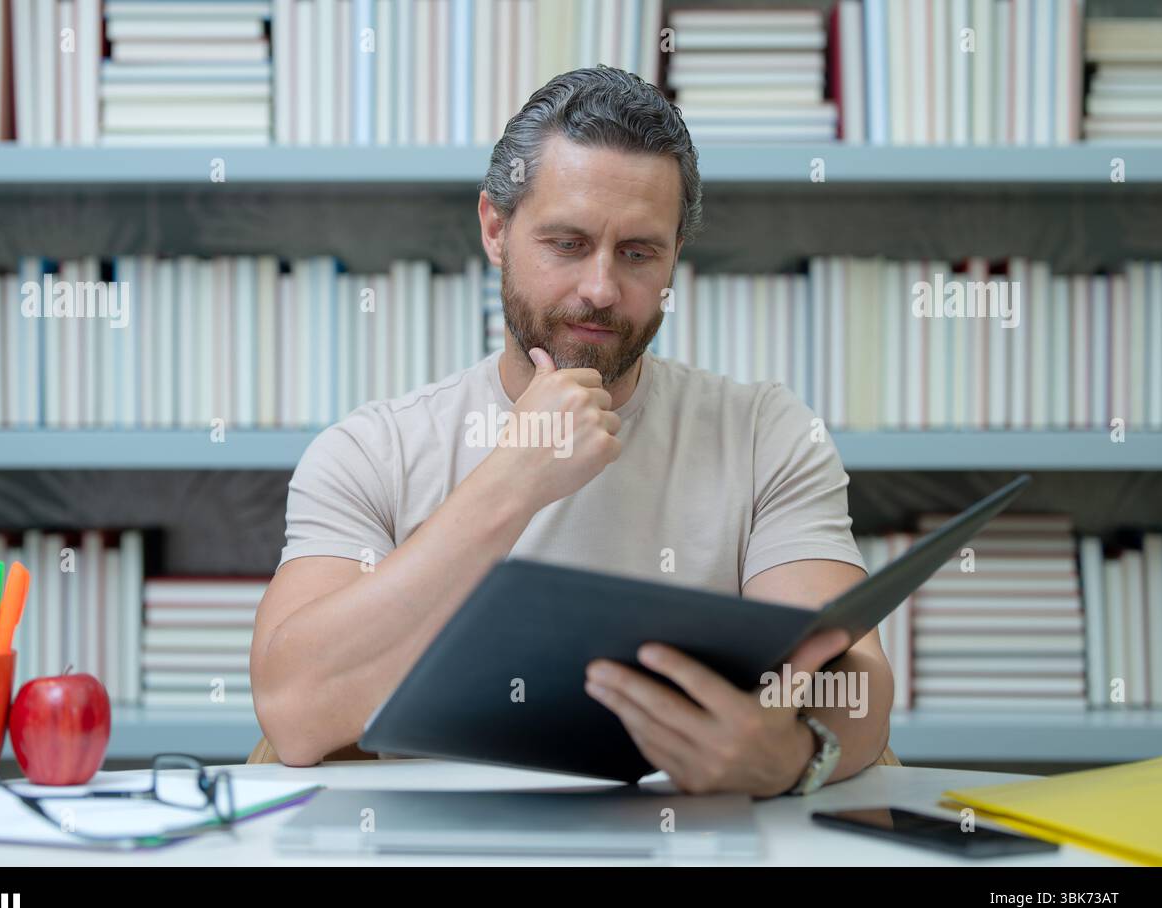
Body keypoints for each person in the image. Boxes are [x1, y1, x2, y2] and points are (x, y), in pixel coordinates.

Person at [251, 65, 894, 796]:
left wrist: (786, 756)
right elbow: (295, 712)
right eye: (566, 242)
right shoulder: (370, 451)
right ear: (496, 229)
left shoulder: (765, 434)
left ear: (675, 255)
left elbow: (856, 685)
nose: (599, 289)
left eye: (638, 253)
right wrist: (512, 481)